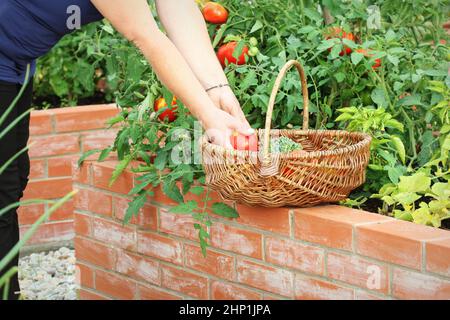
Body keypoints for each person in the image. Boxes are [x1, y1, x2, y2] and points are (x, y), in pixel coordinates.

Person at [0, 0, 253, 300]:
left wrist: (217, 90)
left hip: (16, 61)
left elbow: (180, 9)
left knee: (12, 180)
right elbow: (147, 36)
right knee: (3, 187)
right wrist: (208, 117)